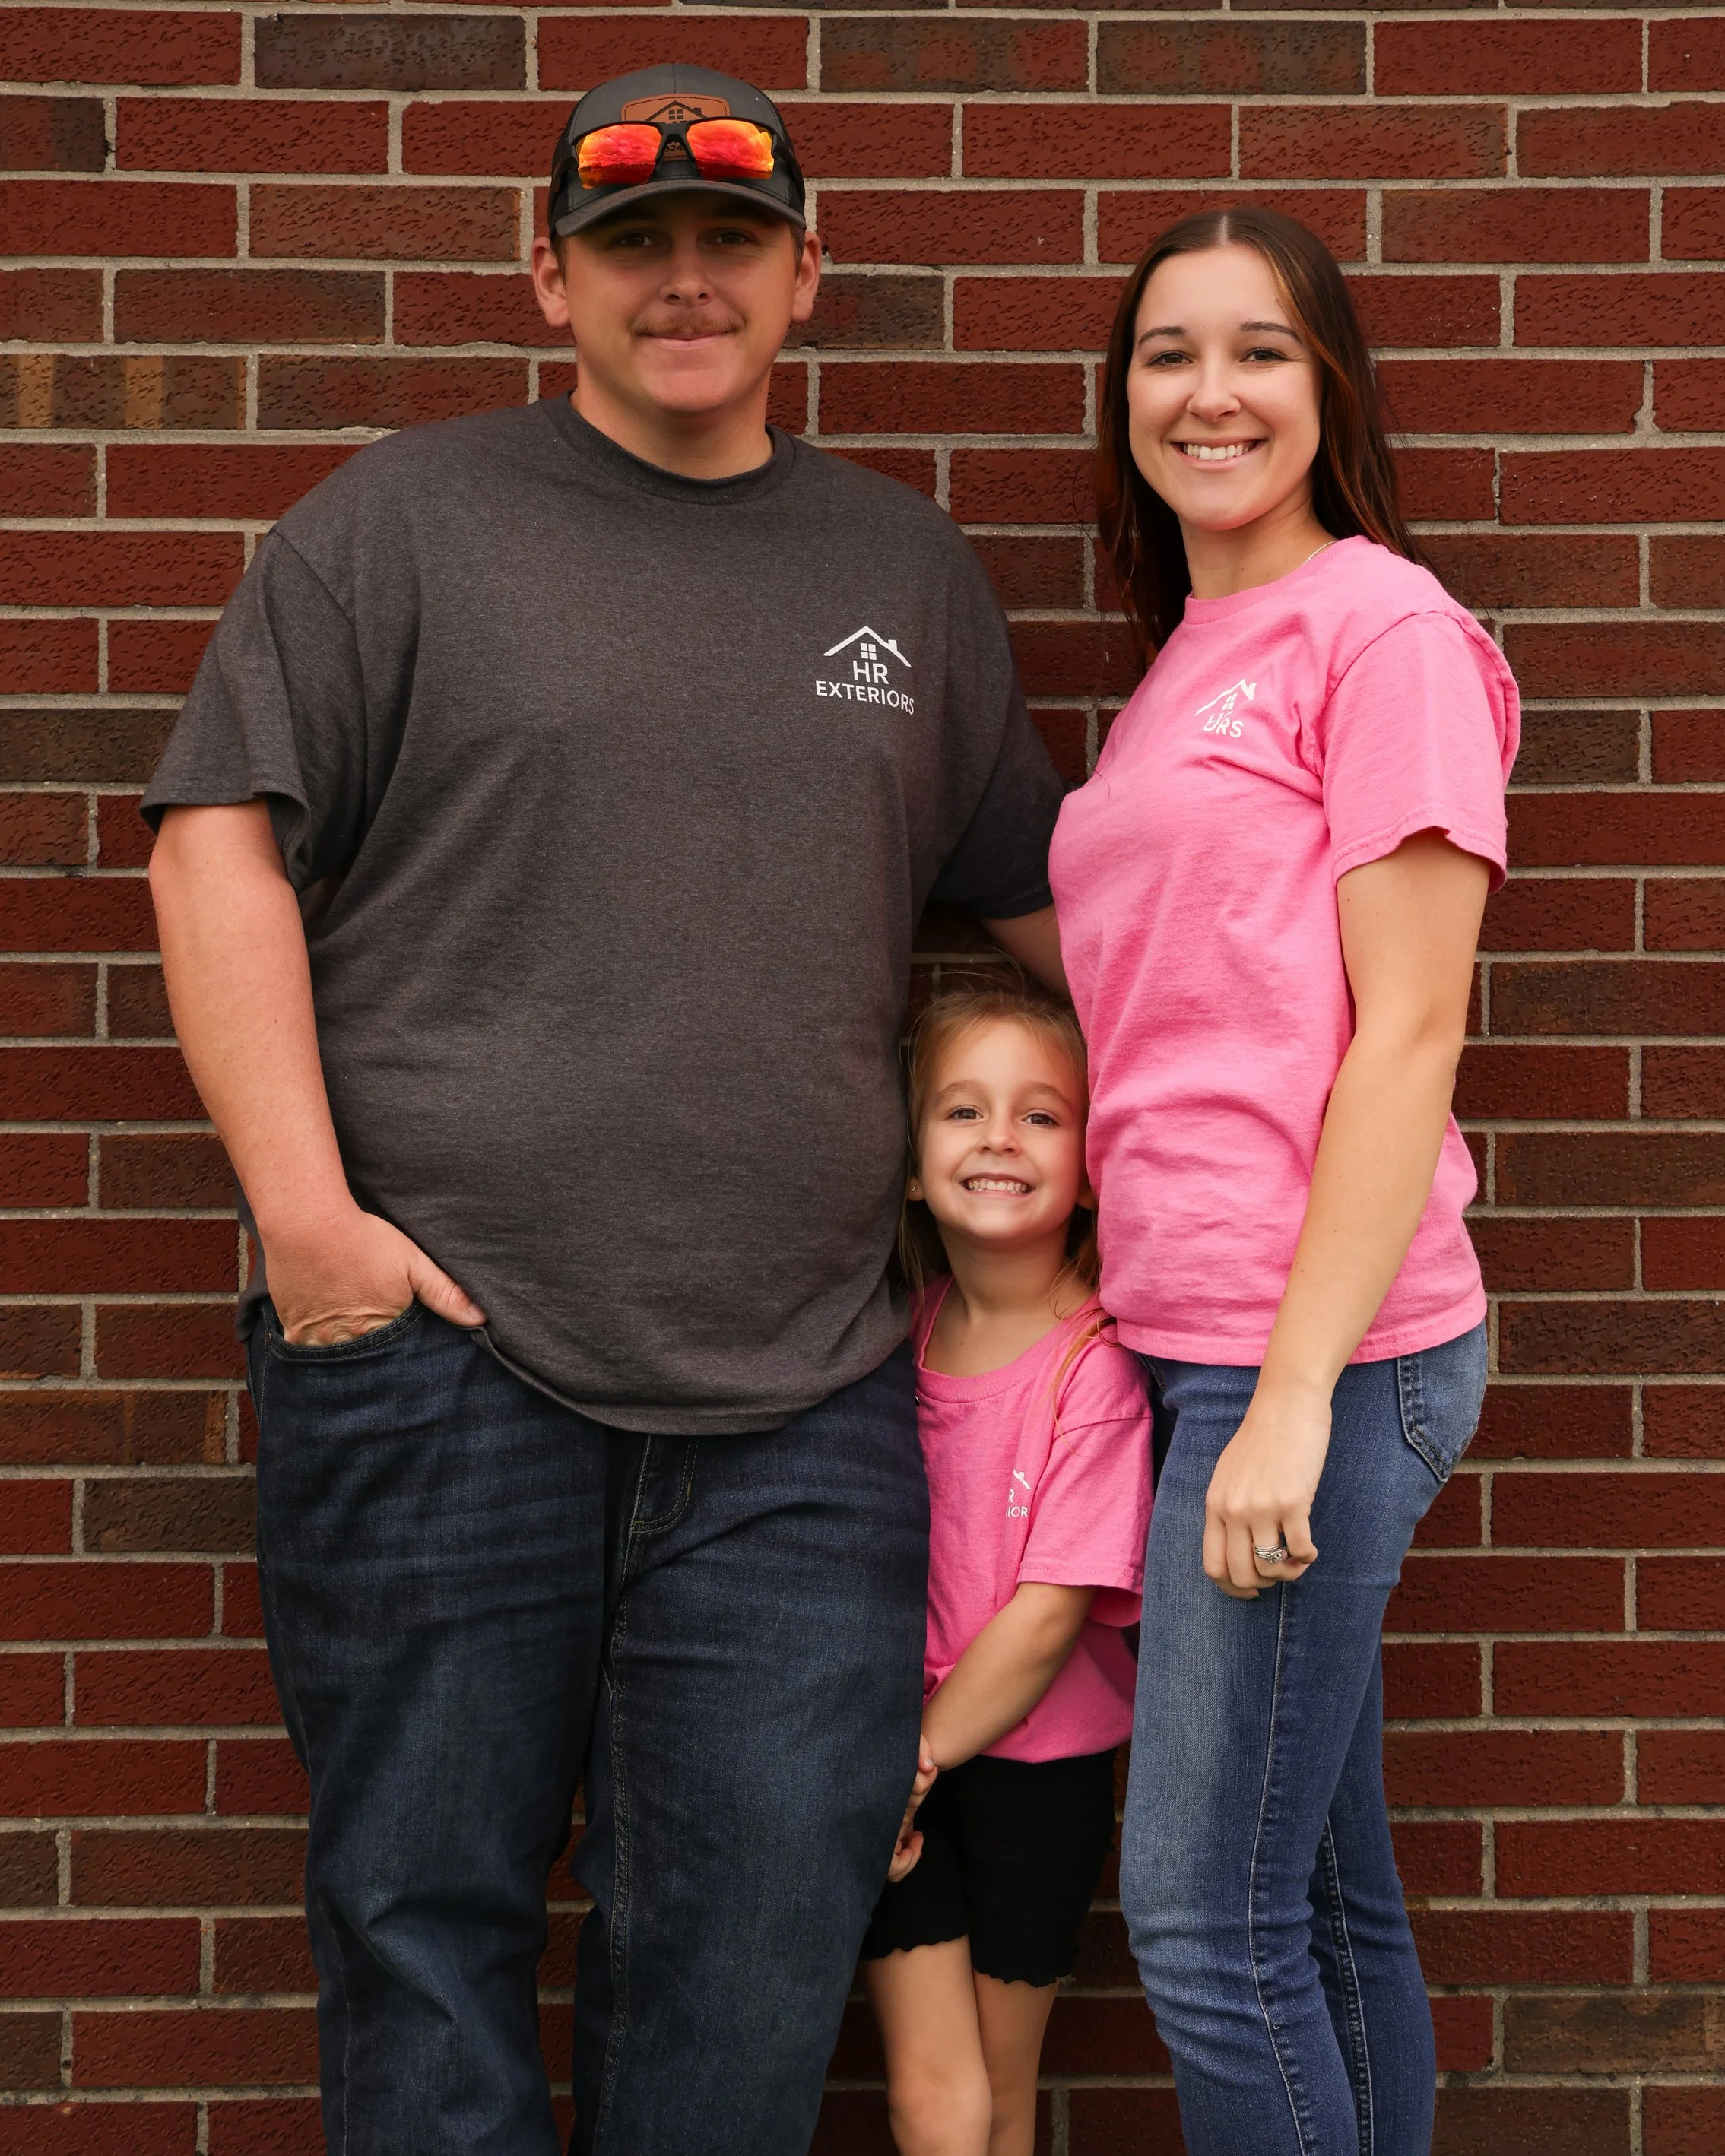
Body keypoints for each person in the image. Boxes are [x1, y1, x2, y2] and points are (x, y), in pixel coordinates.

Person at [142, 65, 1067, 2156]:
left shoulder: (904, 580)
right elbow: (215, 849)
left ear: (803, 278)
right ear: (546, 276)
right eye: (632, 243)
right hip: (442, 1367)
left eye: (727, 242)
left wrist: (1327, 1057)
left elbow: (1058, 914)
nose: (682, 282)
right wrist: (312, 1234)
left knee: (749, 1976)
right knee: (423, 1937)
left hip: (803, 1407)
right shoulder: (396, 526)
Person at [1048, 208, 1519, 2155]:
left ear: (1329, 386)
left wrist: (1300, 1395)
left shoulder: (1381, 626)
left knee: (1201, 1918)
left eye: (1259, 349)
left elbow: (1409, 1031)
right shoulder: (1188, 658)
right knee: (1315, 1903)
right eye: (1168, 353)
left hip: (1306, 1353)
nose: (1210, 392)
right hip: (1200, 1341)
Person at [858, 984, 1151, 2156]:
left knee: (1000, 2088)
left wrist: (913, 1766)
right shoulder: (896, 1339)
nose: (997, 1139)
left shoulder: (1096, 1368)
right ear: (915, 1166)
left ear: (1088, 1167)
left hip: (1026, 1773)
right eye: (962, 1112)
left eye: (1041, 1117)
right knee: (933, 2097)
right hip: (900, 1756)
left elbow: (1045, 1621)